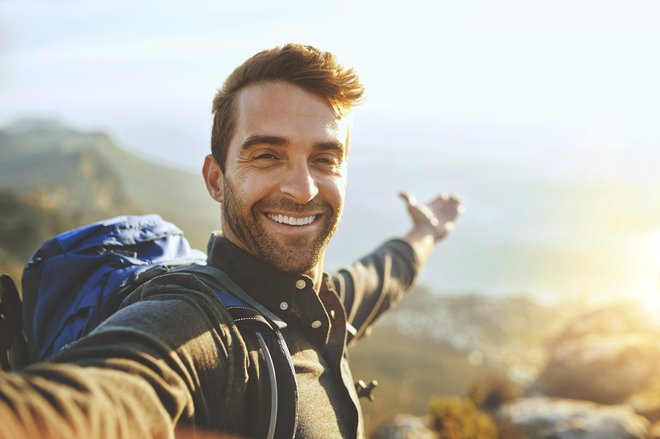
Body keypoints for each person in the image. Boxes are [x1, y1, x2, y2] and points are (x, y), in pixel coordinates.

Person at [0, 43, 462, 438]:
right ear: (216, 179)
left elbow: (382, 275)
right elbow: (96, 395)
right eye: (266, 155)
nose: (303, 189)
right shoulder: (197, 325)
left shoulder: (321, 307)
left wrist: (424, 234)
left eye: (324, 159)